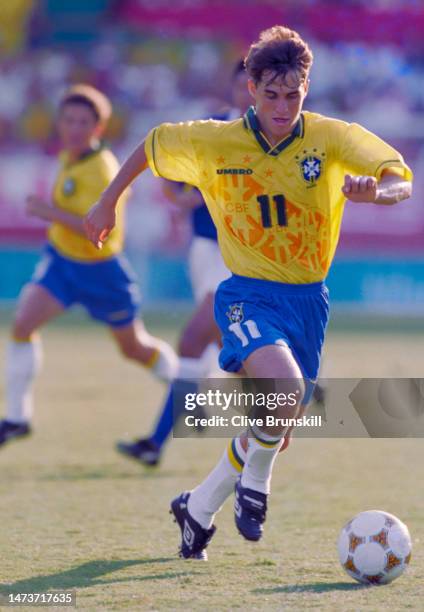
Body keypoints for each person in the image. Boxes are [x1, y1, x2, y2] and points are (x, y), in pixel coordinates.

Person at [84, 25, 412, 560]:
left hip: (309, 301)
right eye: (272, 95)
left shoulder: (330, 138)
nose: (283, 107)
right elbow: (151, 145)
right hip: (245, 293)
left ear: (307, 87)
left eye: (294, 95)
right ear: (251, 89)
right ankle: (255, 485)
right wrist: (107, 203)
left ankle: (197, 507)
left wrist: (378, 192)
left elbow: (400, 175)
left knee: (276, 423)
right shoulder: (216, 140)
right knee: (282, 393)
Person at [0, 84, 209, 448]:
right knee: (21, 324)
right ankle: (17, 417)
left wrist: (44, 211)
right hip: (63, 265)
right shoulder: (69, 156)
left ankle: (189, 397)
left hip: (102, 271)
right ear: (60, 124)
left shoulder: (103, 168)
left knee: (134, 348)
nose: (75, 128)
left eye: (84, 122)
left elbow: (92, 226)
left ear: (98, 128)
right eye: (69, 120)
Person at [116, 60, 252, 467]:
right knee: (232, 347)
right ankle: (287, 398)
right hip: (203, 250)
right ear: (232, 87)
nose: (249, 93)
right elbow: (172, 182)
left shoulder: (273, 140)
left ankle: (155, 442)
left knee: (194, 339)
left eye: (255, 85)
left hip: (240, 259)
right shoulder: (210, 129)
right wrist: (185, 197)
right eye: (243, 84)